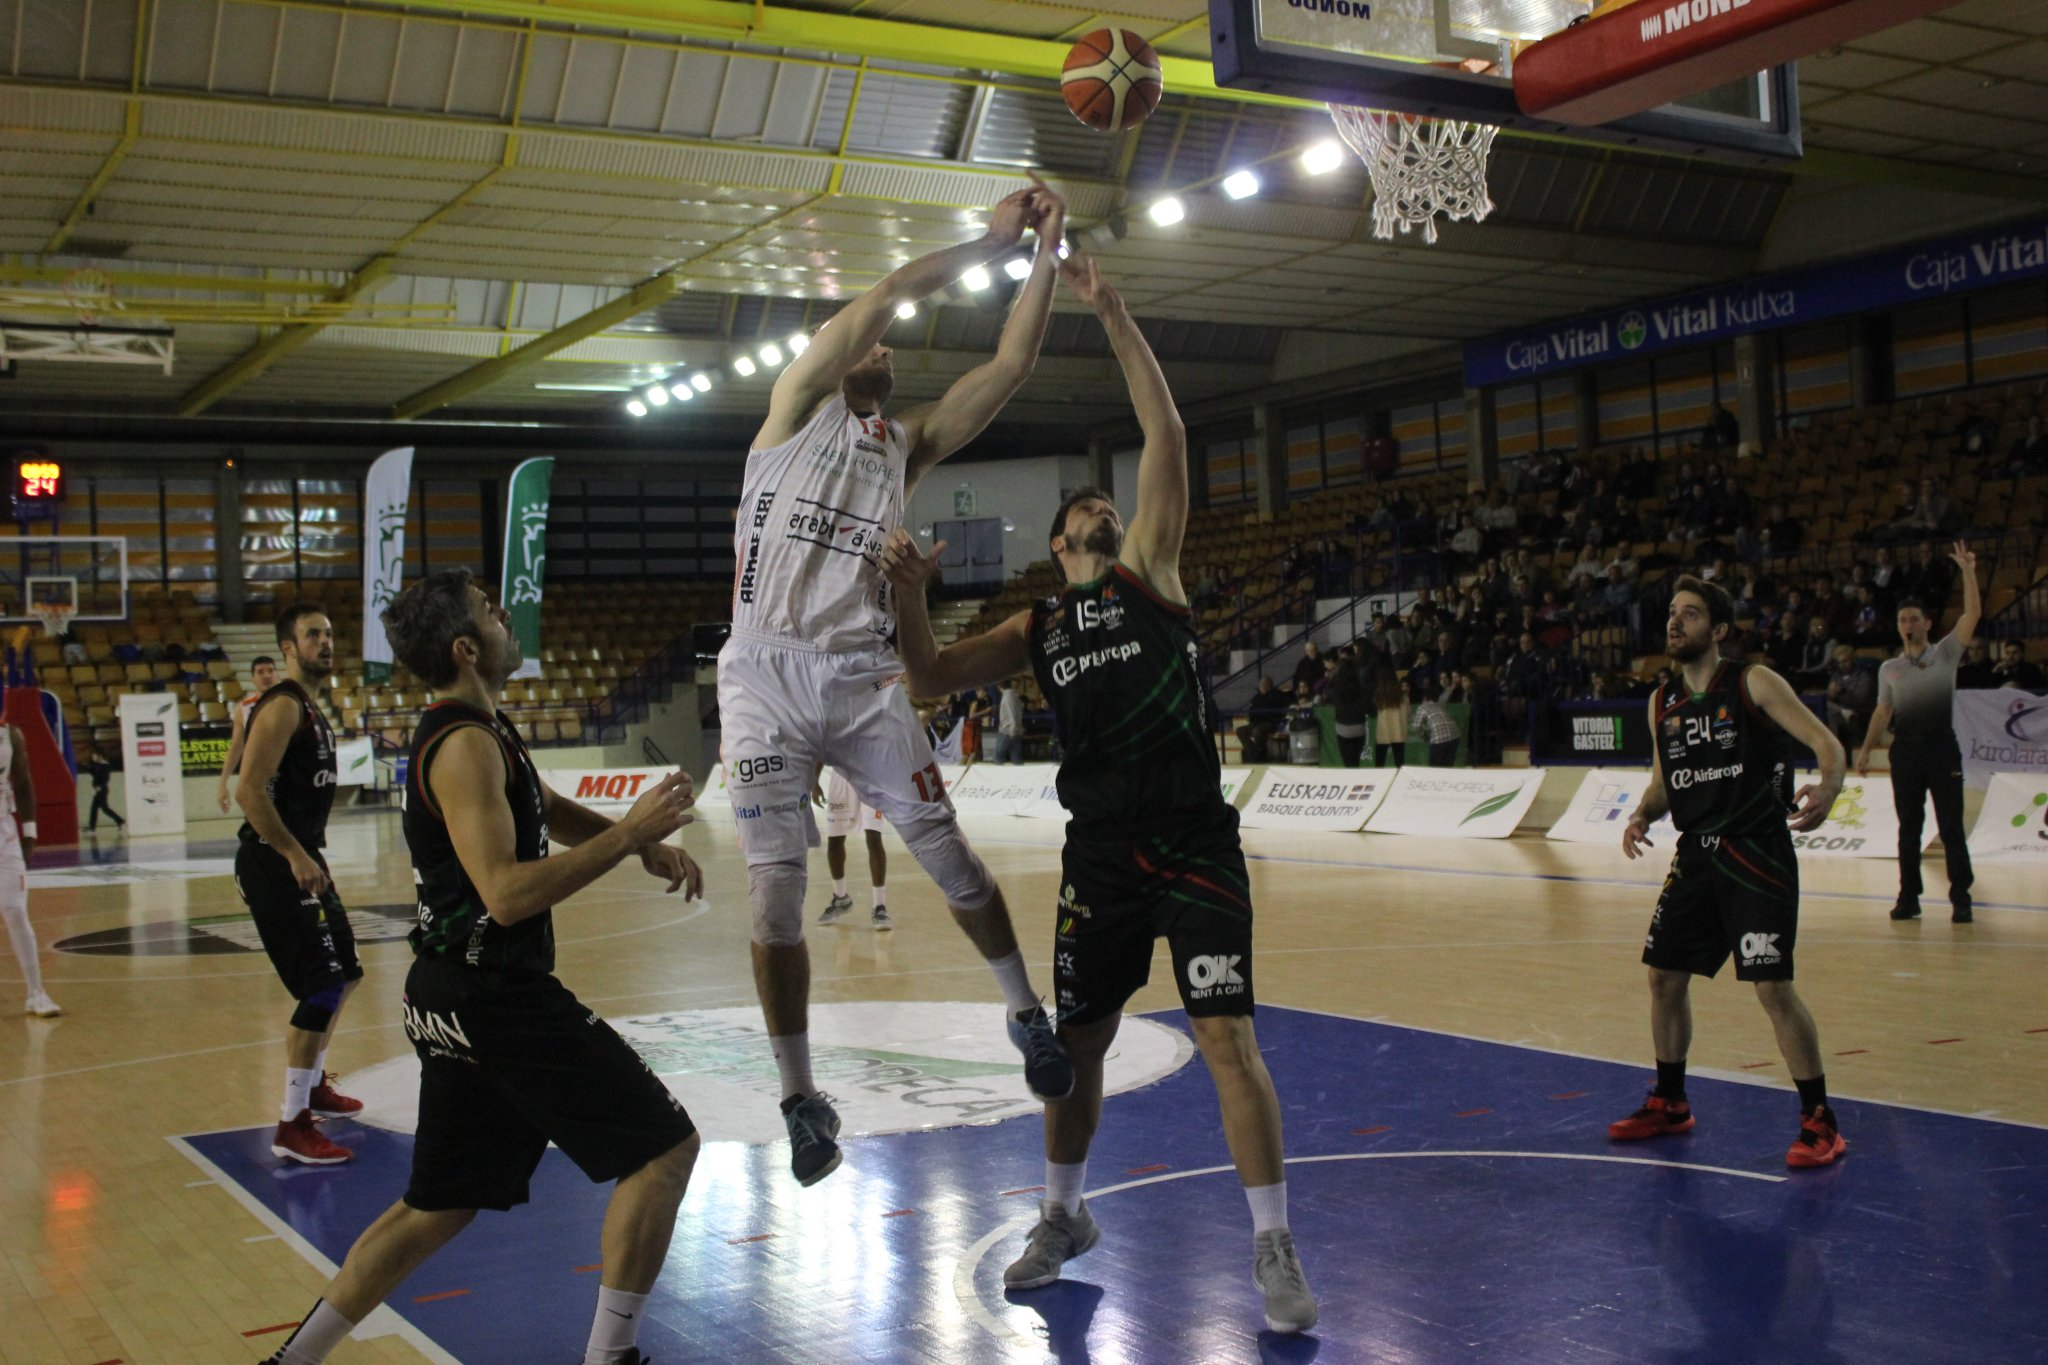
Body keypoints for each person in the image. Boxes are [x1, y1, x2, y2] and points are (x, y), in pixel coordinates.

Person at [878, 250, 1318, 1334]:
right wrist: (903, 598)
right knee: (1076, 1050)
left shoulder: (1149, 573)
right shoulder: (1037, 625)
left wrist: (1115, 314)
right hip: (1100, 860)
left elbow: (1164, 438)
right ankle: (1064, 1216)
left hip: (1193, 844)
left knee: (1227, 1040)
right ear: (1053, 543)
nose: (1094, 516)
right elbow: (928, 677)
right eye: (1079, 514)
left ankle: (1271, 1241)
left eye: (1100, 508)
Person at [715, 177, 1072, 1186]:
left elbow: (1008, 364)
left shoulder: (900, 449)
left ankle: (1023, 1014)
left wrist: (1045, 253)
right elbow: (873, 302)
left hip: (865, 680)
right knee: (775, 898)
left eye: (884, 352)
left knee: (952, 860)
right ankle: (798, 1097)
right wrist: (985, 240)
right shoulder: (790, 414)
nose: (879, 351)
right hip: (763, 675)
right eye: (867, 347)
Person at [263, 570, 703, 1365]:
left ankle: (289, 1361)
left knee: (437, 1204)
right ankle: (609, 1357)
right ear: (467, 647)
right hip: (496, 995)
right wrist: (629, 830)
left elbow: (540, 805)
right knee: (663, 1146)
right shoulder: (463, 743)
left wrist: (636, 842)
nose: (506, 616)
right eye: (491, 612)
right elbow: (504, 895)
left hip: (448, 991)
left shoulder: (479, 726)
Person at [1615, 575, 1849, 1169]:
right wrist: (1643, 813)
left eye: (1689, 615)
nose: (1674, 623)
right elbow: (1665, 782)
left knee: (1771, 985)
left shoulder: (1752, 682)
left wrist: (1828, 786)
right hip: (1696, 854)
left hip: (1756, 850)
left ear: (1717, 630)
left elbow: (1828, 745)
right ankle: (1670, 1101)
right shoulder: (1661, 702)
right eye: (1672, 612)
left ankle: (1821, 1120)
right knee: (1663, 976)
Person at [234, 605, 365, 1166]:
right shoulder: (284, 705)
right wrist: (292, 853)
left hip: (303, 858)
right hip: (272, 861)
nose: (325, 642)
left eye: (330, 633)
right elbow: (249, 792)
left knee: (349, 974)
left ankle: (310, 1085)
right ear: (288, 647)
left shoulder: (312, 706)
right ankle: (291, 1124)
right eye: (313, 634)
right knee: (320, 988)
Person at [1855, 543, 1982, 923]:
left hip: (1942, 749)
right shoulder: (1889, 669)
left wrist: (1968, 571)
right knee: (1908, 828)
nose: (1907, 625)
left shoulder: (1944, 653)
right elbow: (1883, 710)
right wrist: (1865, 749)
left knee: (1951, 827)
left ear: (1927, 623)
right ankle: (1908, 897)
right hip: (1905, 752)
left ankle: (1961, 898)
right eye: (1902, 620)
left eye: (1913, 619)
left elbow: (1973, 613)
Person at [3, 722, 57, 1017]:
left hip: (5, 835)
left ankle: (37, 993)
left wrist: (30, 832)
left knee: (15, 911)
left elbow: (22, 782)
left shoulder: (11, 734)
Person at [816, 768, 890, 930]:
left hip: (871, 776)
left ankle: (880, 906)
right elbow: (820, 746)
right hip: (841, 777)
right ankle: (840, 898)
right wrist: (814, 781)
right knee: (835, 840)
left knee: (874, 837)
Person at [217, 654, 280, 813]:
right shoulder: (243, 709)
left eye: (270, 671)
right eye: (260, 672)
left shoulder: (290, 703)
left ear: (277, 675)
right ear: (252, 678)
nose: (266, 675)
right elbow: (236, 746)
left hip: (289, 771)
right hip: (260, 775)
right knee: (262, 826)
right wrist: (223, 783)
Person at [1325, 652, 1368, 767]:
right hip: (1359, 725)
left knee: (1348, 761)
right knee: (1356, 759)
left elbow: (1328, 694)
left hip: (1343, 726)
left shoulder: (1339, 684)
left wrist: (1331, 680)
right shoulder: (1358, 685)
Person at [1371, 652, 1408, 769]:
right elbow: (1408, 712)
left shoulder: (1379, 696)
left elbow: (1373, 711)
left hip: (1383, 733)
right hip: (1399, 732)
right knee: (1399, 763)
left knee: (1379, 763)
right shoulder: (1402, 696)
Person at [1237, 677, 1288, 763]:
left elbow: (1279, 710)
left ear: (1269, 685)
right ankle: (1253, 752)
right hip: (1256, 722)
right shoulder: (1256, 698)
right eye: (1261, 685)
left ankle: (1262, 753)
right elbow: (1252, 711)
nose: (1262, 687)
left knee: (1257, 731)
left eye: (1264, 684)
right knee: (1240, 731)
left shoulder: (1276, 695)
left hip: (1270, 723)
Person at [1413, 686, 1460, 767]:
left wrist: (1423, 737)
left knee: (1434, 768)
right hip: (1455, 735)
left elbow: (1416, 726)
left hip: (1439, 737)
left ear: (1424, 698)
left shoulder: (1423, 707)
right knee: (1448, 767)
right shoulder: (1440, 705)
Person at [83, 745, 123, 832]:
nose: (93, 757)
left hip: (102, 790)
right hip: (99, 790)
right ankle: (92, 827)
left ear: (100, 756)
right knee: (96, 808)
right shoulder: (98, 765)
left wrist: (99, 786)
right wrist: (87, 768)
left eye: (95, 755)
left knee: (103, 808)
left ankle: (120, 820)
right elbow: (94, 774)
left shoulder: (105, 766)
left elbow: (105, 778)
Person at [993, 677, 1028, 764]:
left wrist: (1013, 728)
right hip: (1016, 730)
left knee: (998, 756)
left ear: (999, 686)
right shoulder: (1015, 696)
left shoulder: (1008, 697)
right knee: (1016, 758)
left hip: (1007, 731)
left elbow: (1011, 713)